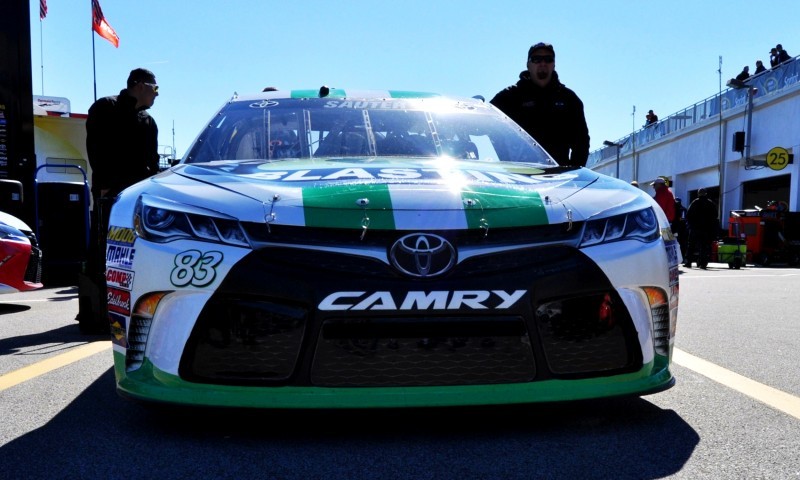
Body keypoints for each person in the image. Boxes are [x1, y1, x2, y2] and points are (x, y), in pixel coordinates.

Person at [78, 67, 160, 332]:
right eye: (155, 88)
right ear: (139, 85)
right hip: (109, 194)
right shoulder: (105, 107)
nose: (157, 94)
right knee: (102, 252)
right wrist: (104, 186)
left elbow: (152, 163)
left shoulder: (148, 121)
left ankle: (128, 311)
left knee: (134, 254)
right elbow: (96, 149)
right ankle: (94, 314)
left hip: (137, 199)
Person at [490, 42, 590, 167]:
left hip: (558, 179)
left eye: (548, 59)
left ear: (554, 64)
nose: (543, 63)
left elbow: (581, 142)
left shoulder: (569, 99)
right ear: (528, 65)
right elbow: (485, 122)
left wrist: (573, 173)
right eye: (536, 59)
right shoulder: (508, 98)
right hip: (520, 176)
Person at [684, 188, 719, 269]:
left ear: (698, 194)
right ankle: (703, 263)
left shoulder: (695, 202)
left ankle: (688, 262)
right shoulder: (710, 203)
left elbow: (688, 215)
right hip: (706, 229)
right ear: (706, 194)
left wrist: (690, 225)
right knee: (704, 246)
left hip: (695, 228)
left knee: (691, 245)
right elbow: (715, 216)